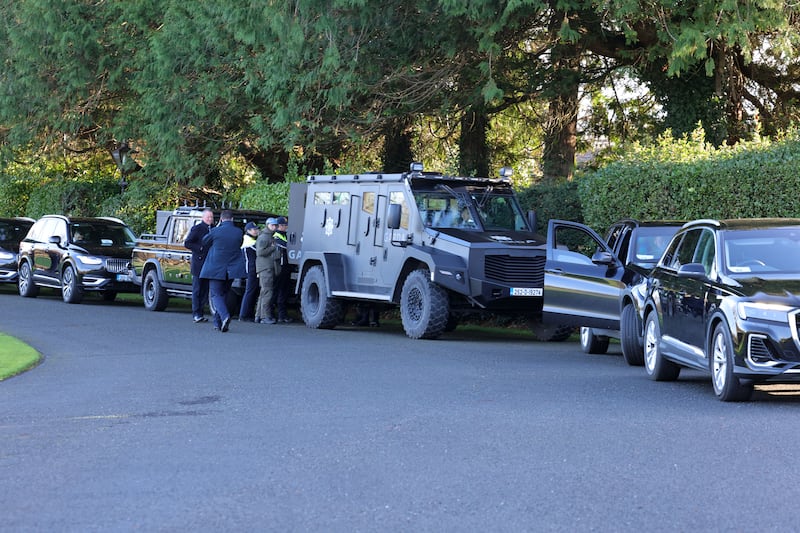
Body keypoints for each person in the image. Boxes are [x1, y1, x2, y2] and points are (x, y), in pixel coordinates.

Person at [199, 210, 246, 332]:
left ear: (221, 219)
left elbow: (204, 241)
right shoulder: (239, 232)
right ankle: (217, 323)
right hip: (231, 269)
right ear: (232, 219)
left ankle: (225, 316)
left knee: (215, 294)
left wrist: (216, 228)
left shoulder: (215, 231)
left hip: (216, 268)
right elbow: (239, 244)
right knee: (224, 293)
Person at [184, 208, 214, 323]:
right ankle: (196, 313)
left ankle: (201, 312)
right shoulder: (197, 229)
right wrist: (200, 248)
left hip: (209, 263)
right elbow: (187, 243)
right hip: (199, 263)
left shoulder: (214, 229)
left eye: (211, 217)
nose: (210, 219)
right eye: (208, 217)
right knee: (197, 289)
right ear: (203, 218)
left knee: (205, 290)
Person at [255, 217, 279, 324]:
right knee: (268, 292)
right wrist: (273, 248)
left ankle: (258, 316)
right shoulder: (264, 237)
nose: (275, 227)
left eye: (275, 225)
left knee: (264, 292)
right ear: (268, 225)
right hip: (266, 268)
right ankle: (265, 317)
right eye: (273, 225)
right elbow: (260, 252)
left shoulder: (269, 236)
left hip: (267, 267)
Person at [238, 221, 260, 322]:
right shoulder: (248, 241)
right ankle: (243, 315)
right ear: (248, 231)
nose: (256, 231)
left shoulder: (252, 239)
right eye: (253, 229)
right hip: (251, 269)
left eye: (256, 229)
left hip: (254, 268)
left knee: (253, 291)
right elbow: (258, 248)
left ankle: (249, 313)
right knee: (250, 291)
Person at [272, 216, 293, 323]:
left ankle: (282, 315)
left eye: (286, 225)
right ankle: (271, 313)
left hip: (286, 267)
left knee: (283, 292)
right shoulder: (276, 237)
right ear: (279, 226)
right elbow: (286, 246)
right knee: (276, 291)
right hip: (279, 268)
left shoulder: (285, 236)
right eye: (284, 225)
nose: (286, 227)